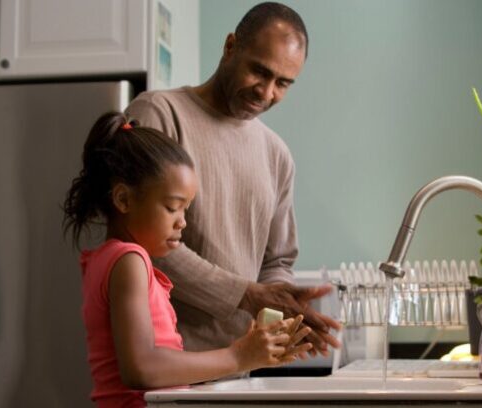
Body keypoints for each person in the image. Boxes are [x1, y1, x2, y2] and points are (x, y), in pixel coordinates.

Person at [125, 2, 341, 356]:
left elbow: (277, 262)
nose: (266, 92)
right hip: (164, 363)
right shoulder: (159, 114)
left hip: (240, 367)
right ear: (230, 47)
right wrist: (247, 294)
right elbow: (141, 239)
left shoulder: (277, 154)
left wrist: (282, 309)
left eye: (283, 83)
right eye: (259, 71)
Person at [63, 112, 312, 408]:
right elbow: (141, 368)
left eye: (186, 210)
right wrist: (237, 356)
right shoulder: (129, 261)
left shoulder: (109, 259)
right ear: (123, 200)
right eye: (172, 207)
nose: (183, 222)